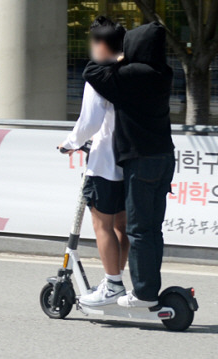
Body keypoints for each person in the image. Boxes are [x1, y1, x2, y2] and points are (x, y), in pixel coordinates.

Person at [82, 22, 175, 308]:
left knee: (138, 229)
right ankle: (147, 286)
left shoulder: (133, 73)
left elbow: (91, 71)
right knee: (151, 228)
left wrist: (120, 58)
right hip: (164, 157)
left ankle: (144, 293)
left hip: (140, 160)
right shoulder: (163, 72)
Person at [58, 16, 129, 307]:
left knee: (103, 226)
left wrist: (69, 144)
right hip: (131, 161)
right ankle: (116, 279)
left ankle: (112, 285)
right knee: (122, 227)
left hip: (105, 163)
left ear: (101, 44)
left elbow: (89, 122)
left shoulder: (99, 75)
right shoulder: (131, 70)